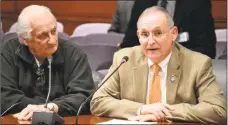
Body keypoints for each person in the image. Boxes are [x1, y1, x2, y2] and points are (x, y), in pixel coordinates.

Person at [90, 6, 226, 123]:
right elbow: (98, 101)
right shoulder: (125, 59)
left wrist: (163, 113)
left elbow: (217, 109)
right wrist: (142, 109)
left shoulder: (197, 63)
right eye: (144, 34)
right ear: (138, 36)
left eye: (157, 33)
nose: (150, 41)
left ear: (173, 34)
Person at [1, 5, 95, 120]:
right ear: (25, 40)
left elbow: (84, 98)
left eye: (54, 31)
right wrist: (39, 108)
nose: (53, 40)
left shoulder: (74, 54)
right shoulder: (8, 53)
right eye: (43, 35)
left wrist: (50, 107)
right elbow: (5, 97)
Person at [120, 0, 217, 59]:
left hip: (182, 72)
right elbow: (129, 43)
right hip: (144, 72)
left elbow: (207, 49)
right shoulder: (142, 2)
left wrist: (169, 60)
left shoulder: (197, 3)